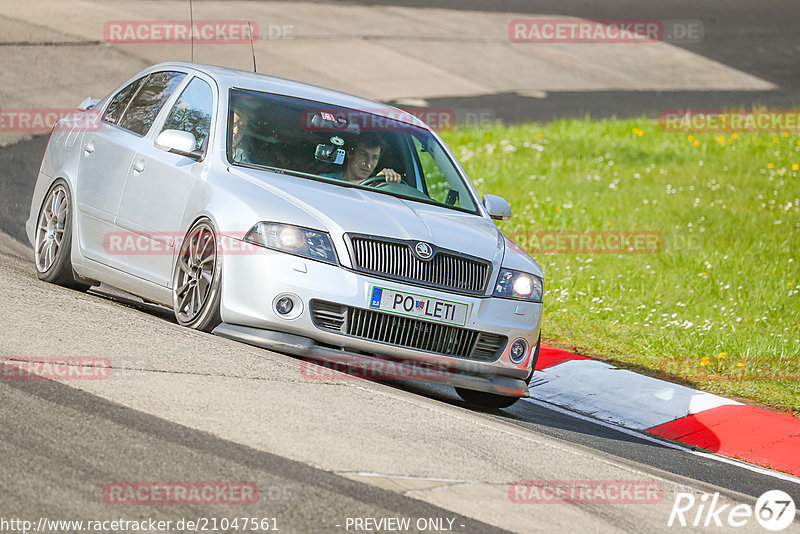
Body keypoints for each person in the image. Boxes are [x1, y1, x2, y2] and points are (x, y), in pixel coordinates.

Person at [322, 134, 402, 184]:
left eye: (374, 158)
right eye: (364, 155)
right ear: (350, 154)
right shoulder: (325, 181)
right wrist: (374, 182)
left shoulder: (380, 189)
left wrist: (391, 180)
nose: (368, 163)